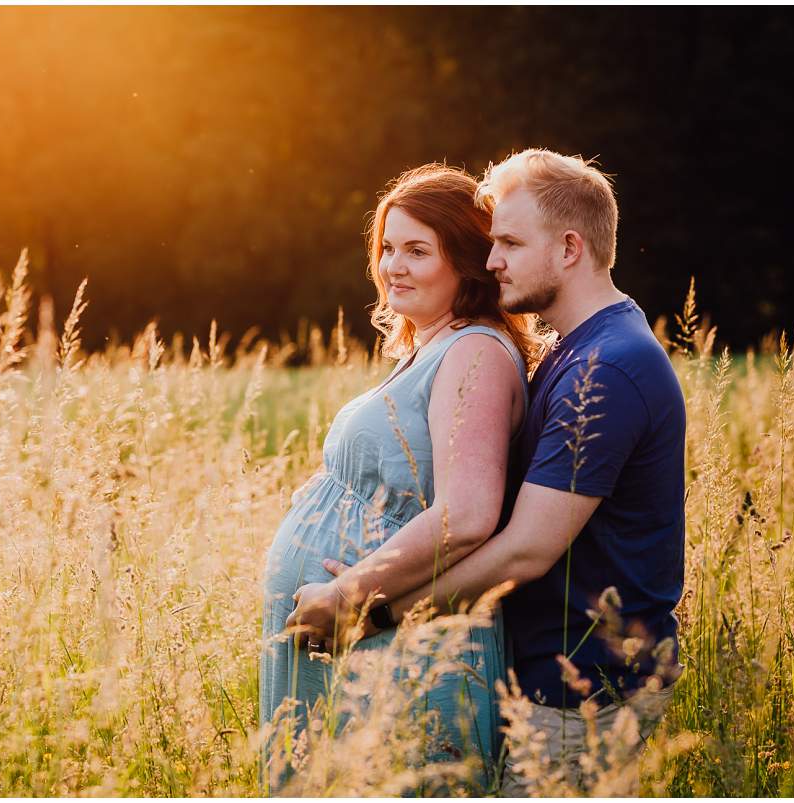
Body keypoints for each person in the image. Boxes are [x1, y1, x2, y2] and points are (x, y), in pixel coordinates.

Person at [317, 149, 686, 796]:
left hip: (582, 697)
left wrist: (377, 611)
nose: (491, 261)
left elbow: (528, 547)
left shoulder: (611, 368)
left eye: (510, 243)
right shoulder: (580, 350)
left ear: (570, 247)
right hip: (553, 683)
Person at [259, 163, 543, 794]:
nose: (394, 266)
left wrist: (352, 591)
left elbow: (468, 513)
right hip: (355, 646)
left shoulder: (474, 351)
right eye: (387, 248)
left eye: (418, 250)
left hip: (398, 649)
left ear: (466, 262)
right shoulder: (432, 347)